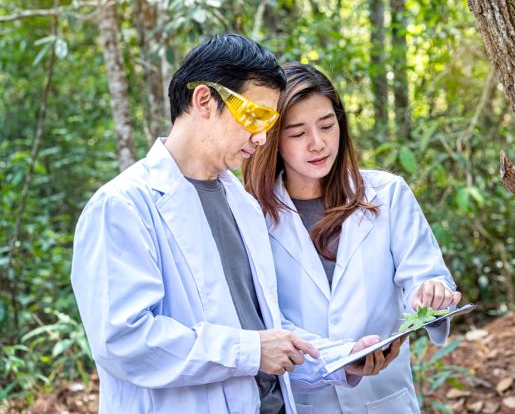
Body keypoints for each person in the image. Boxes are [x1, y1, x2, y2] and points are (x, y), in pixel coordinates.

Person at [71, 34, 398, 414]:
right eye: (254, 117)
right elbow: (123, 341)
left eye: (269, 121)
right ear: (205, 100)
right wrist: (249, 351)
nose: (261, 138)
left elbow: (264, 328)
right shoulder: (123, 206)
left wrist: (338, 357)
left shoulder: (242, 204)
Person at [243, 62, 461, 413]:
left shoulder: (387, 194)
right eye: (298, 133)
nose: (318, 143)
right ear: (273, 139)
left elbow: (423, 276)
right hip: (307, 400)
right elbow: (264, 321)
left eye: (327, 126)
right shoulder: (251, 213)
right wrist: (337, 358)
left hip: (383, 397)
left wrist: (429, 294)